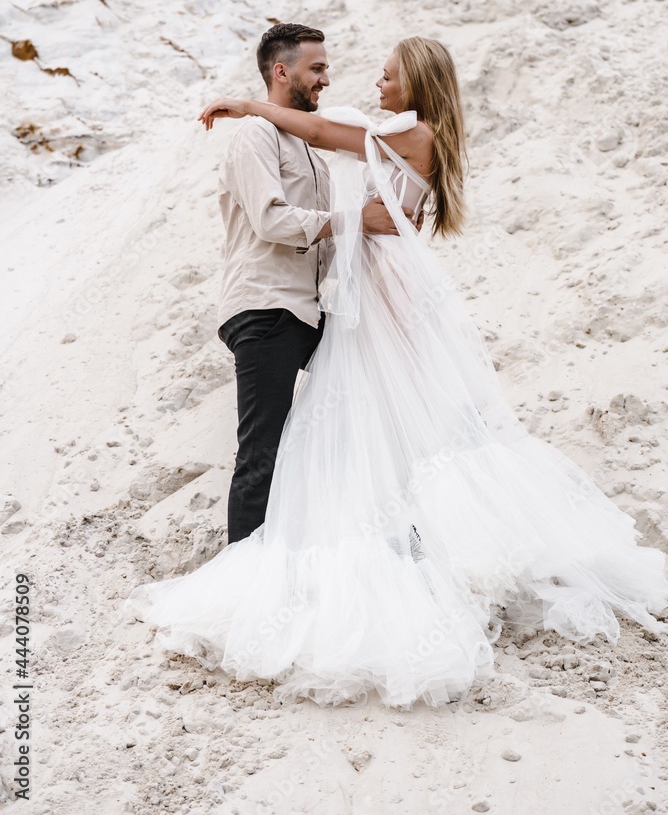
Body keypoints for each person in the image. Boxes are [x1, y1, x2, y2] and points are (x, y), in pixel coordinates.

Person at [124, 36, 668, 709]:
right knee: (379, 422)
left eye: (387, 77)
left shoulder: (411, 132)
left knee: (393, 422)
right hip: (357, 286)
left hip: (382, 287)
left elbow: (325, 129)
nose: (374, 85)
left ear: (416, 84)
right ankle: (378, 546)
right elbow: (326, 143)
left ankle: (364, 556)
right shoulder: (401, 132)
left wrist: (245, 104)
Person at [208, 23, 417, 545]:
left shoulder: (308, 150)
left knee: (363, 404)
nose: (327, 78)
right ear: (282, 72)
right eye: (317, 68)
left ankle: (368, 539)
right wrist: (357, 219)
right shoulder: (254, 136)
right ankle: (246, 580)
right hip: (265, 309)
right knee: (262, 453)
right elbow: (273, 221)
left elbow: (330, 239)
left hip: (306, 311)